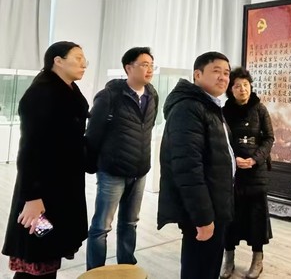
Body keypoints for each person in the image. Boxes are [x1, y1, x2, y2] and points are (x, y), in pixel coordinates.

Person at [2, 41, 90, 278]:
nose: (84, 63)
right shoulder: (42, 93)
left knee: (49, 254)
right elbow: (31, 149)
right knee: (36, 256)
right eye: (78, 58)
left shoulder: (67, 90)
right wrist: (32, 197)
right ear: (58, 61)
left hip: (61, 189)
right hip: (41, 193)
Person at [158, 51, 235, 279]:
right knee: (199, 269)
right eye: (216, 71)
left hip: (215, 203)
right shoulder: (189, 108)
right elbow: (188, 168)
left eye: (226, 73)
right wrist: (203, 217)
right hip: (203, 209)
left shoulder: (210, 106)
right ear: (197, 75)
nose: (223, 77)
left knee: (209, 267)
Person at [85, 47, 159, 270]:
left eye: (151, 65)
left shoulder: (152, 95)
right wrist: (95, 165)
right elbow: (93, 133)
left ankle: (127, 267)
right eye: (144, 64)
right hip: (112, 172)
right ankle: (96, 271)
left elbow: (148, 128)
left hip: (140, 171)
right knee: (101, 226)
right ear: (128, 68)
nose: (149, 69)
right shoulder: (109, 96)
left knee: (130, 223)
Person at [219, 67, 274, 279]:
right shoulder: (224, 111)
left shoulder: (260, 109)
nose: (242, 89)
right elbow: (221, 139)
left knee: (257, 217)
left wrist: (255, 159)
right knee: (230, 216)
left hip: (256, 173)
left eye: (245, 85)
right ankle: (229, 259)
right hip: (232, 172)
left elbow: (269, 138)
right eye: (237, 86)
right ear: (230, 89)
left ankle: (257, 260)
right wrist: (234, 159)